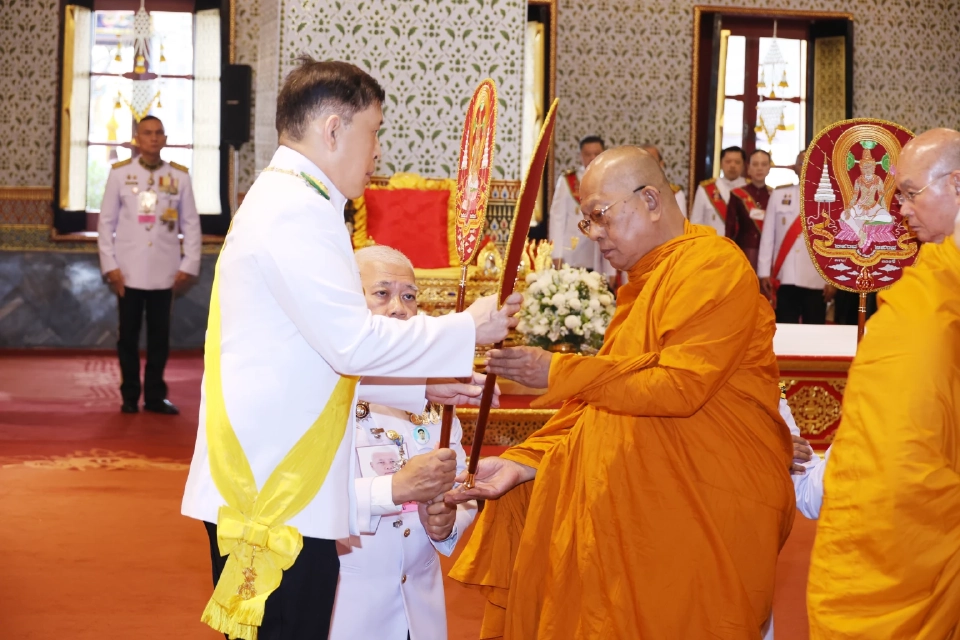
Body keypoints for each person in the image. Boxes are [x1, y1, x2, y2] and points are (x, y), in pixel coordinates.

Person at [180, 57, 521, 640]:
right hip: (276, 486)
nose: (379, 151)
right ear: (334, 129)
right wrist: (467, 327)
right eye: (376, 132)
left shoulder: (293, 201)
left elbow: (310, 356)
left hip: (283, 474)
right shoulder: (295, 210)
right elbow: (351, 343)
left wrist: (421, 385)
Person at [448, 146, 795, 639]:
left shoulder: (714, 268)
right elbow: (603, 404)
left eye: (600, 217)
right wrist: (525, 463)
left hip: (694, 517)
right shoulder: (647, 283)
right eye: (587, 221)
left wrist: (557, 371)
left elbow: (679, 388)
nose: (594, 235)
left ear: (651, 199)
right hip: (636, 520)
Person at [807, 128, 960, 639]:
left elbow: (900, 453)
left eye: (911, 193)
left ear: (957, 185)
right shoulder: (932, 282)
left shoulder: (933, 296)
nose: (900, 209)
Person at [329, 245, 478, 640]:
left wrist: (450, 519)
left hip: (421, 610)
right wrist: (393, 489)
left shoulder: (433, 392)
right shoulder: (327, 389)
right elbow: (306, 500)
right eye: (382, 293)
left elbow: (461, 479)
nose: (399, 308)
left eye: (409, 296)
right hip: (347, 611)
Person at [97, 115, 201, 415]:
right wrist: (110, 266)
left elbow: (191, 225)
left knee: (159, 337)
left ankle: (155, 396)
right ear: (137, 139)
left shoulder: (179, 177)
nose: (153, 138)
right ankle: (129, 395)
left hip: (164, 272)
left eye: (158, 133)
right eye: (147, 133)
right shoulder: (120, 174)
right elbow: (106, 224)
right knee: (127, 336)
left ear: (165, 139)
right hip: (127, 271)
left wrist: (188, 264)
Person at [758, 151, 834, 323]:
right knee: (785, 328)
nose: (806, 167)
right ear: (795, 168)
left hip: (816, 278)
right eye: (802, 163)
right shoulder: (779, 195)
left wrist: (832, 279)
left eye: (811, 163)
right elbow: (768, 235)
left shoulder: (831, 199)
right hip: (786, 275)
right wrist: (763, 272)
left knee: (815, 331)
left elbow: (835, 242)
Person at [548, 135, 614, 277]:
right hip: (571, 253)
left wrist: (611, 270)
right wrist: (556, 254)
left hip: (598, 254)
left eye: (596, 154)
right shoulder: (568, 181)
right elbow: (557, 220)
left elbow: (612, 224)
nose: (592, 158)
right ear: (580, 156)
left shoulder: (610, 181)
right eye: (587, 154)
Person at [726, 149, 773, 270]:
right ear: (748, 168)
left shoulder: (774, 195)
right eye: (755, 164)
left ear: (769, 168)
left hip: (769, 253)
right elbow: (730, 228)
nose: (759, 168)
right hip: (744, 251)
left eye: (763, 164)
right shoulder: (737, 194)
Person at [689, 145, 747, 234]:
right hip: (713, 245)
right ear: (720, 164)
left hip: (740, 246)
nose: (732, 165)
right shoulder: (706, 189)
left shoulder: (749, 190)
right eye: (728, 161)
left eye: (737, 162)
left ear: (743, 165)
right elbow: (695, 223)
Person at [640, 143, 688, 216]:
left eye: (652, 161)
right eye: (644, 162)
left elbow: (680, 226)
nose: (648, 166)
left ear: (661, 164)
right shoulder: (627, 194)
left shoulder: (675, 195)